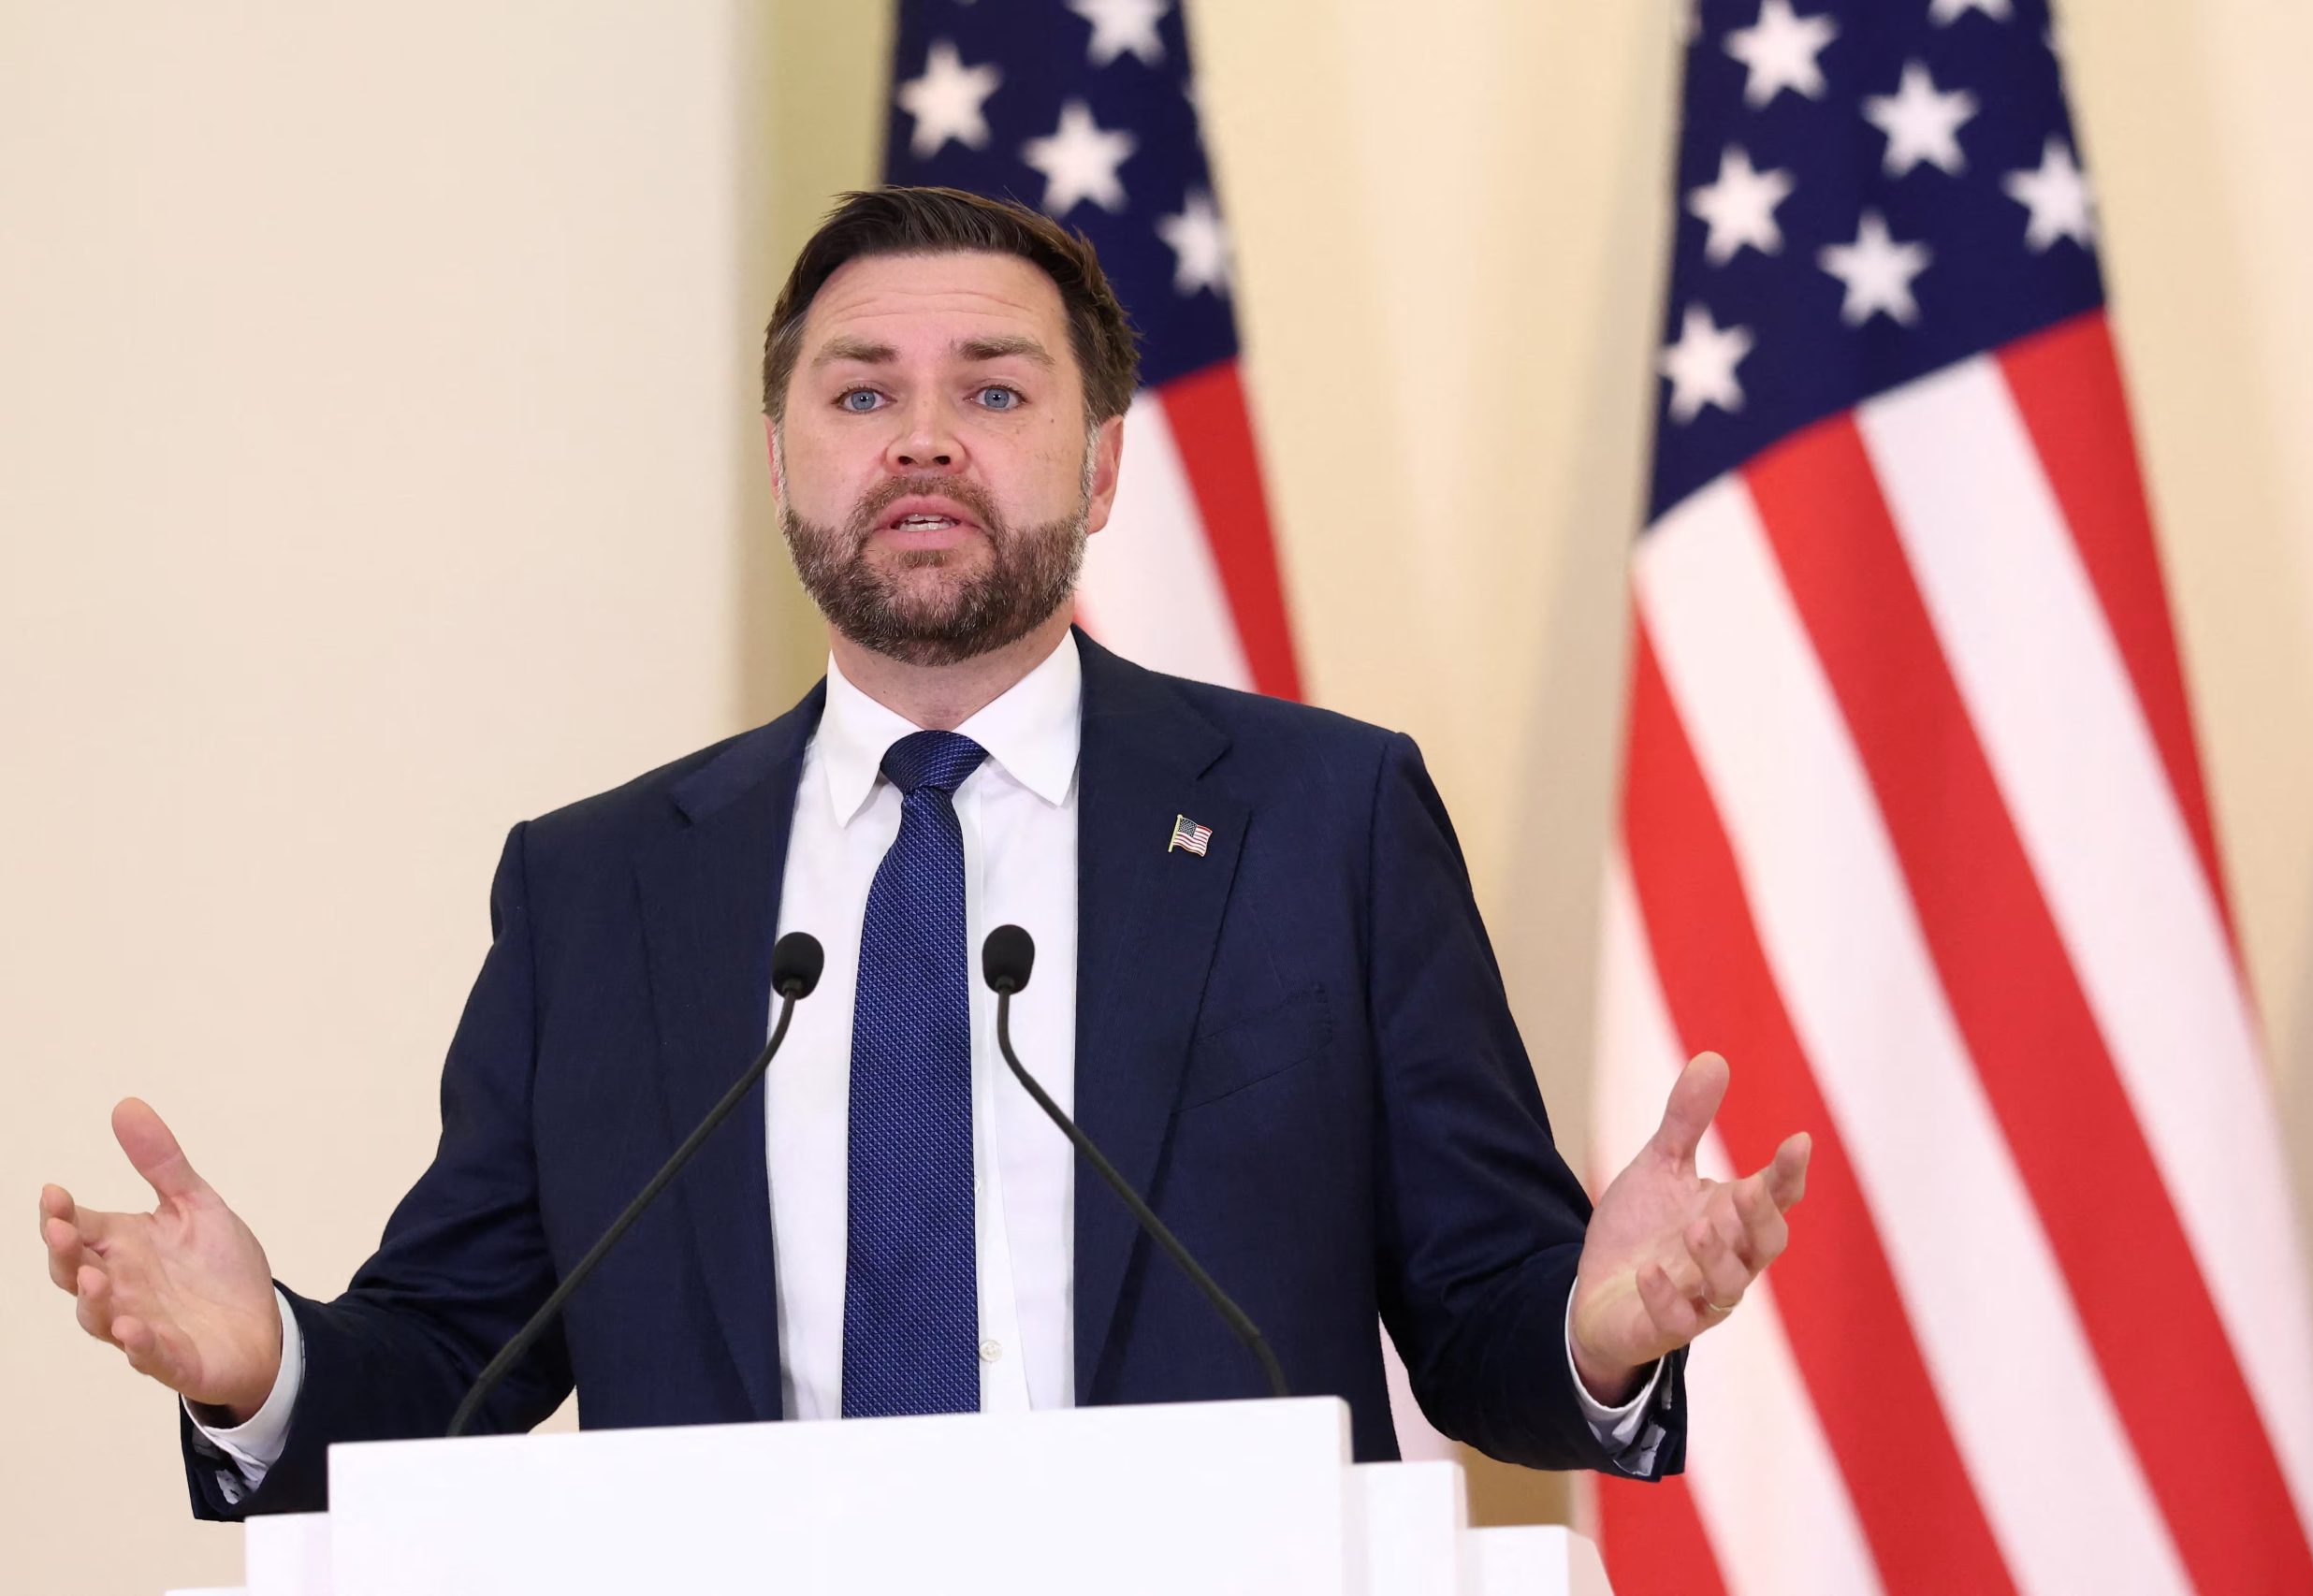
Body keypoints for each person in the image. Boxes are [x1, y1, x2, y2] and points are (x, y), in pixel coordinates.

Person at [37, 186, 1811, 1517]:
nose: (928, 440)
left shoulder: (1320, 822)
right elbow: (457, 1365)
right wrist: (267, 1366)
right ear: (785, 456)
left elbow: (1483, 1315)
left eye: (998, 391)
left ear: (1104, 462)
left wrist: (1594, 1320)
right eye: (864, 394)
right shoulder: (599, 890)